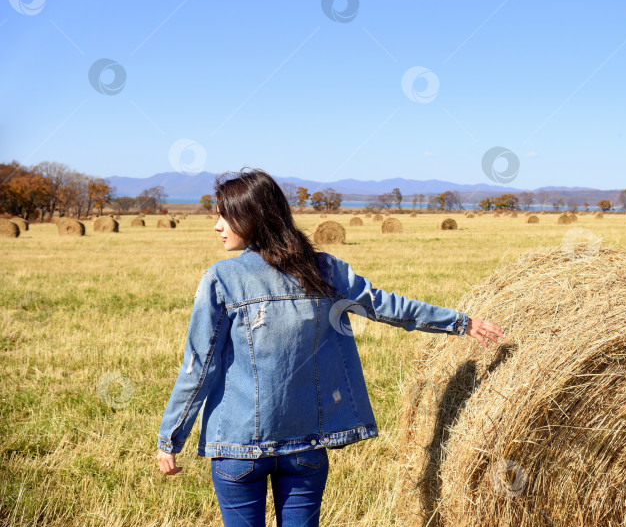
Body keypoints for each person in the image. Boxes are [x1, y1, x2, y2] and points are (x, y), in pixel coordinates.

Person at [156, 168, 505, 526]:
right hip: (306, 447)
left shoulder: (221, 279)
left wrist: (170, 437)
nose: (217, 225)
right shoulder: (323, 269)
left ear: (253, 216)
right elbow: (386, 307)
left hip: (239, 448)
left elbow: (199, 366)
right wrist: (461, 322)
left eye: (224, 215)